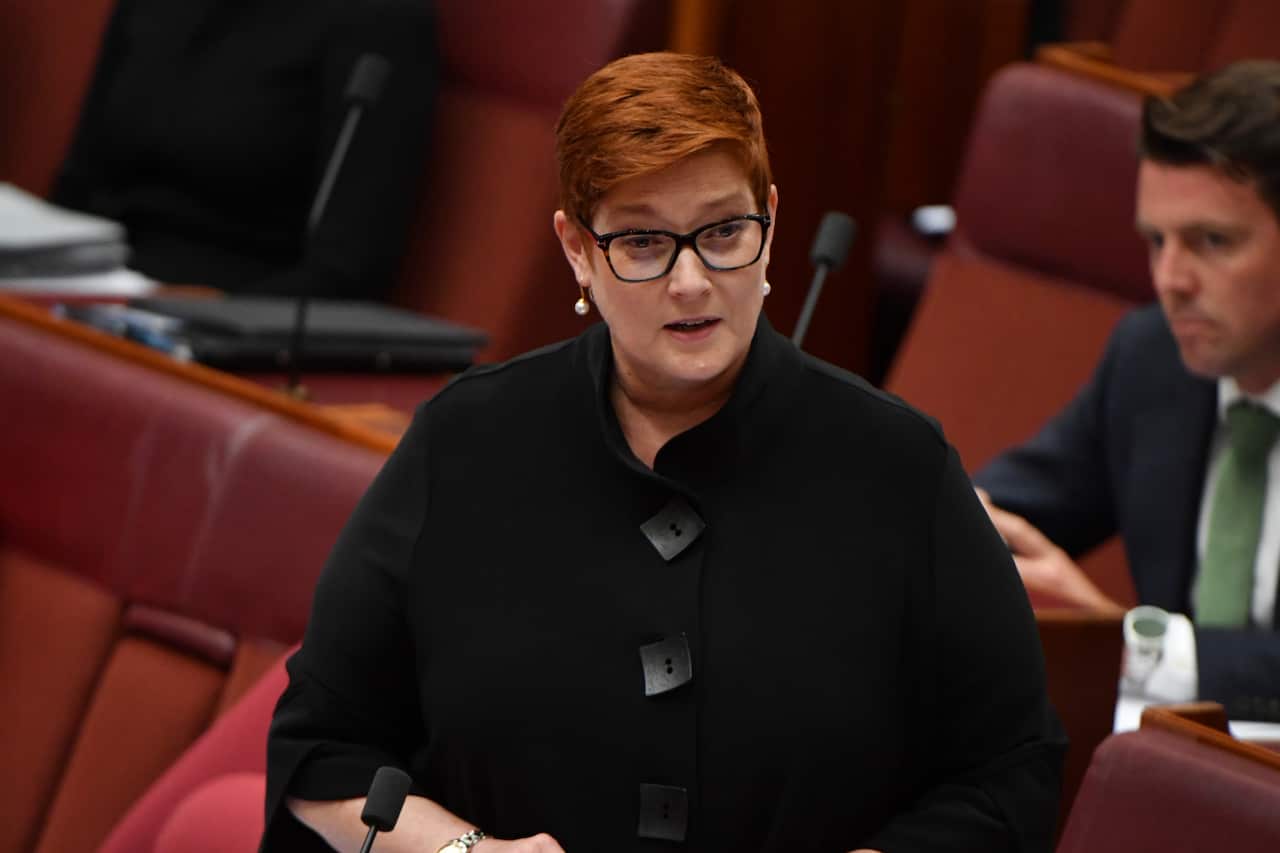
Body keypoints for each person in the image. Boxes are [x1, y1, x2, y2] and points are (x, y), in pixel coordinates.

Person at [265, 52, 1063, 852]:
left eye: (722, 232)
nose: (690, 282)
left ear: (771, 223)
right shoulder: (466, 441)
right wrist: (464, 852)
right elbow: (322, 747)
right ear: (577, 248)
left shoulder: (898, 467)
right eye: (644, 242)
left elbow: (1012, 774)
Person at [977, 61, 1280, 721]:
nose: (1170, 279)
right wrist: (922, 520)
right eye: (1156, 240)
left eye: (1211, 241)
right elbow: (1016, 509)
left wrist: (1138, 647)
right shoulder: (1151, 360)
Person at [51, 0, 435, 299]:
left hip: (233, 316)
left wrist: (207, 317)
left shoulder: (380, 19)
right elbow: (78, 182)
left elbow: (346, 272)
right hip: (93, 287)